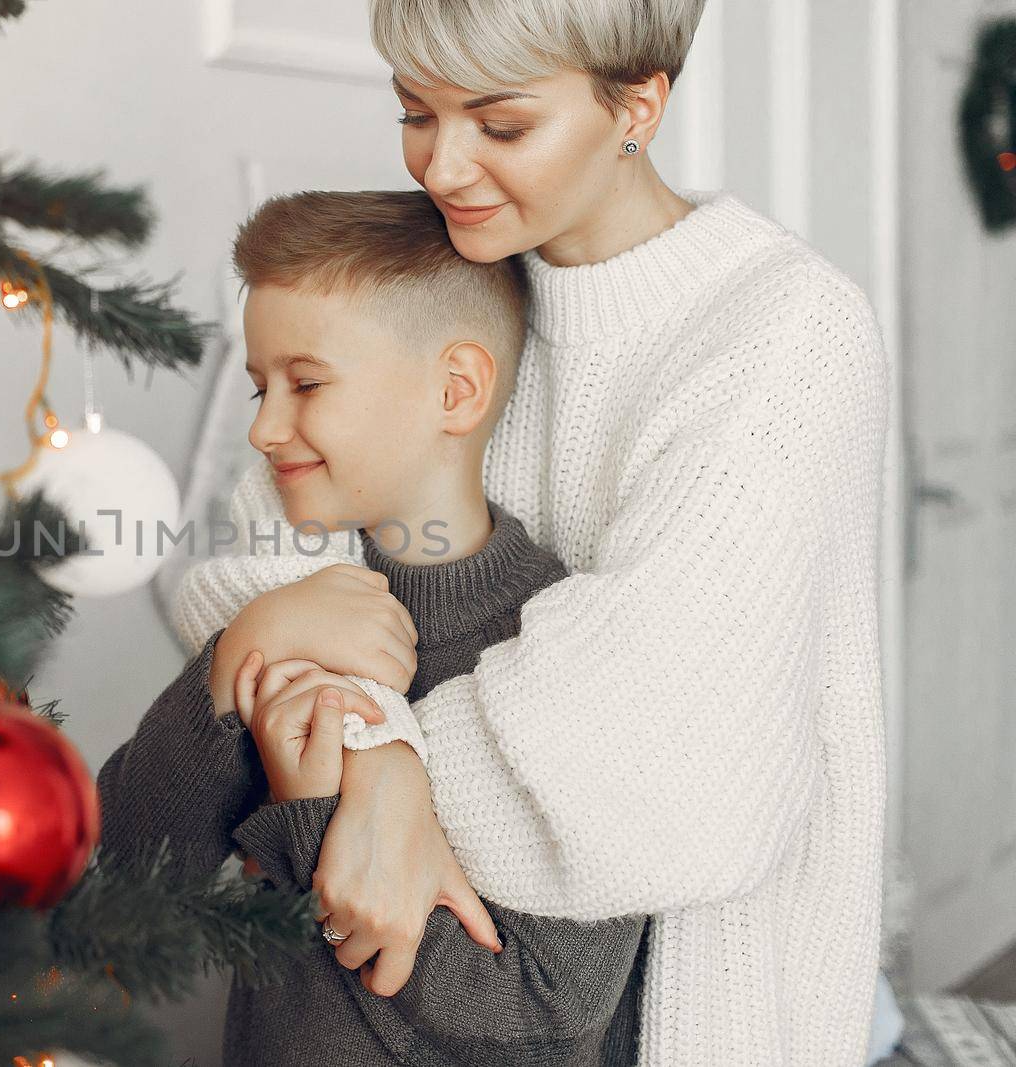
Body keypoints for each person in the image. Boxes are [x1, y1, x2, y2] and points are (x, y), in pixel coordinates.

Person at [174, 2, 891, 1063]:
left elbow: (668, 736)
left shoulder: (785, 333)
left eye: (499, 126)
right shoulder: (445, 271)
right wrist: (371, 750)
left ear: (635, 106)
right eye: (415, 111)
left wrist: (378, 769)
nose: (443, 166)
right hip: (379, 996)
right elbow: (262, 549)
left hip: (682, 1008)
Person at [99, 189, 648, 1066]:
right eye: (259, 386)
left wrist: (314, 818)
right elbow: (116, 886)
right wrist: (236, 653)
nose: (265, 426)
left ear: (456, 389)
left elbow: (549, 1018)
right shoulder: (281, 610)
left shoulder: (567, 651)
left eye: (306, 383)